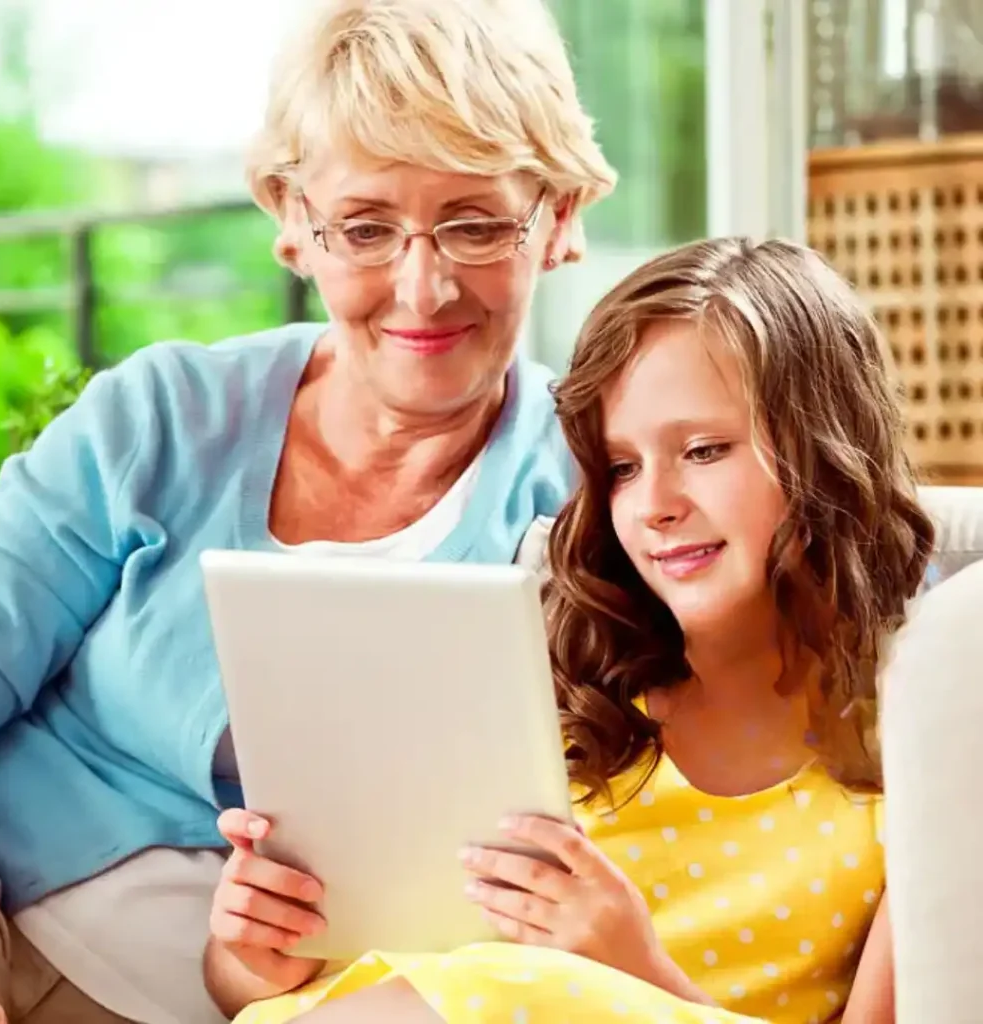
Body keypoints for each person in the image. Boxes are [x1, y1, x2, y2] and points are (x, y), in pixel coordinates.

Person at [0, 0, 616, 1020]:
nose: (422, 284)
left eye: (476, 221)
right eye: (364, 226)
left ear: (560, 216)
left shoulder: (598, 495)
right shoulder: (160, 419)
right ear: (291, 223)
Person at [219, 237, 934, 1024]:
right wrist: (257, 954)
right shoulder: (545, 679)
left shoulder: (921, 738)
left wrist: (639, 969)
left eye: (703, 450)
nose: (653, 503)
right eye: (622, 467)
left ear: (824, 451)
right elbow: (268, 986)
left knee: (518, 987)